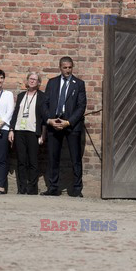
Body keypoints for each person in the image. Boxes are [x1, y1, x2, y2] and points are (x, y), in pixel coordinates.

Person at [41, 56, 87, 197]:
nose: (67, 70)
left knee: (75, 158)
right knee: (53, 157)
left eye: (70, 67)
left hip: (71, 126)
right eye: (65, 67)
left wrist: (69, 122)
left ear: (72, 67)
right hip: (54, 123)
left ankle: (77, 189)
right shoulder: (52, 82)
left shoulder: (78, 84)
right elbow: (45, 104)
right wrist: (50, 120)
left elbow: (81, 106)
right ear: (60, 67)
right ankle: (53, 188)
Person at [8, 72, 47, 195]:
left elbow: (44, 117)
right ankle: (22, 188)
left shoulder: (42, 96)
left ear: (39, 83)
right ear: (27, 80)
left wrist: (43, 134)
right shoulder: (21, 96)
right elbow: (15, 114)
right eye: (30, 79)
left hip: (33, 131)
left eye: (35, 79)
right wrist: (11, 130)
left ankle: (32, 189)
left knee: (33, 161)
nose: (32, 81)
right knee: (21, 160)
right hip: (19, 131)